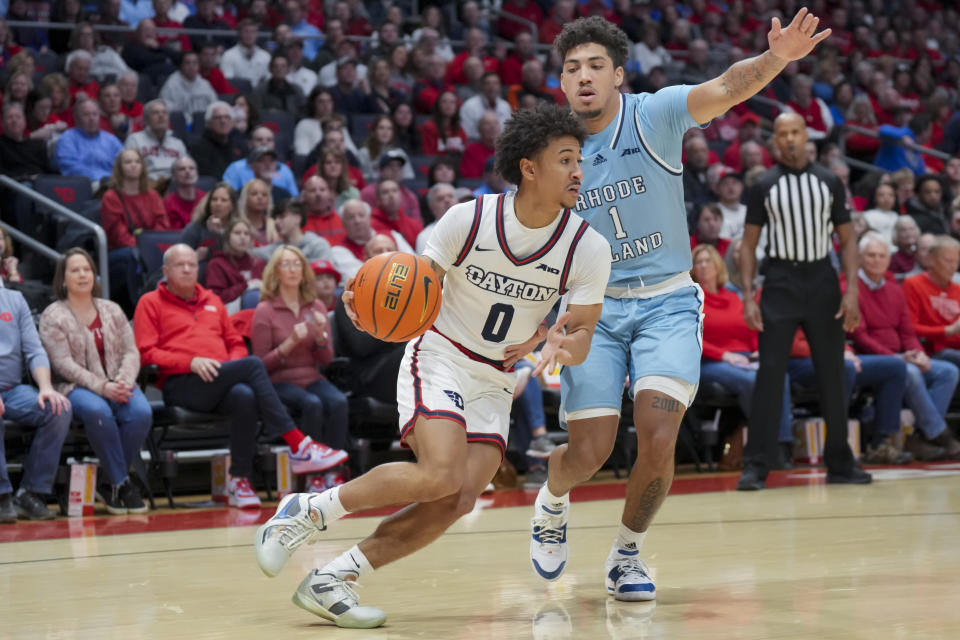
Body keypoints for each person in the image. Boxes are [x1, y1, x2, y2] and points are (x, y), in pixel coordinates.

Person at [253, 104, 610, 627]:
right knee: (439, 472)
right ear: (529, 168)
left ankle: (334, 578)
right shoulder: (470, 219)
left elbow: (580, 334)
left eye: (580, 159)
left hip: (495, 376)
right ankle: (307, 512)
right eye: (566, 159)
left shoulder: (588, 246)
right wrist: (367, 303)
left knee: (459, 497)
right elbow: (408, 284)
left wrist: (559, 342)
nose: (579, 171)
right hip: (440, 352)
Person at [526, 11, 838, 602]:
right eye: (572, 68)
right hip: (591, 307)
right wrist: (541, 321)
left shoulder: (655, 113)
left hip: (666, 300)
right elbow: (536, 239)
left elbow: (726, 86)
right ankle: (552, 497)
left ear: (619, 75)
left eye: (596, 65)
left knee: (659, 431)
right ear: (561, 83)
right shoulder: (548, 147)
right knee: (588, 452)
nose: (584, 76)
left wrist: (775, 59)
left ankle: (626, 553)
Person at [134, 244, 350, 508]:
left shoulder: (212, 300)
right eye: (181, 265)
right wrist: (189, 362)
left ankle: (240, 479)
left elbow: (235, 341)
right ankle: (299, 444)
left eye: (192, 264)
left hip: (219, 378)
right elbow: (146, 353)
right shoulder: (150, 303)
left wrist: (230, 368)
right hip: (181, 383)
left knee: (244, 395)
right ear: (166, 271)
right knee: (252, 367)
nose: (189, 269)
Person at [737, 111, 869, 489]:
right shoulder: (763, 184)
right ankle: (757, 465)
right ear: (775, 141)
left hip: (822, 281)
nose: (790, 139)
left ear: (806, 136)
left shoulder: (829, 182)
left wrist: (853, 291)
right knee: (769, 374)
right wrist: (748, 296)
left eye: (796, 132)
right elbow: (747, 245)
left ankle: (841, 463)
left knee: (832, 374)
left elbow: (847, 239)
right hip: (779, 281)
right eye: (783, 134)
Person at [39, 249, 152, 514]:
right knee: (97, 410)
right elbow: (62, 363)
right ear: (63, 279)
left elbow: (131, 351)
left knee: (141, 412)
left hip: (118, 383)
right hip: (75, 387)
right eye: (75, 270)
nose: (82, 275)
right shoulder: (53, 315)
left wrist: (123, 380)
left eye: (87, 269)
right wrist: (102, 387)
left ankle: (107, 482)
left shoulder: (111, 309)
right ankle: (121, 483)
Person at [852, 233, 960, 461]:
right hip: (871, 357)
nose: (876, 260)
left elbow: (908, 332)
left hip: (902, 354)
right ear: (860, 258)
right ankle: (940, 434)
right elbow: (860, 337)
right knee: (907, 371)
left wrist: (917, 353)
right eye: (871, 255)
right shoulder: (850, 289)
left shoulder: (893, 288)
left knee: (947, 371)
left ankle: (922, 437)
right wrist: (895, 358)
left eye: (882, 255)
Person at [251, 245, 349, 490]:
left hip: (312, 375)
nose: (293, 270)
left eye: (297, 264)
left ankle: (333, 472)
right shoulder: (265, 310)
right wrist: (289, 344)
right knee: (311, 404)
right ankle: (312, 476)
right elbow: (260, 365)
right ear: (275, 272)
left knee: (338, 401)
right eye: (286, 264)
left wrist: (321, 337)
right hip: (279, 381)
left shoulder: (315, 306)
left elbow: (327, 360)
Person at [692, 244, 793, 455]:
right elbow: (691, 338)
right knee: (750, 381)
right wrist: (724, 355)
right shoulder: (690, 300)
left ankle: (781, 444)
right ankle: (762, 443)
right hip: (710, 361)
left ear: (718, 266)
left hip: (745, 358)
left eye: (707, 260)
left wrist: (758, 350)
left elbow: (751, 329)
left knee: (778, 376)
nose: (703, 266)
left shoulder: (733, 298)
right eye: (698, 262)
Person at [0, 285, 72, 523]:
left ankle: (30, 492)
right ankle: (2, 496)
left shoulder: (14, 299)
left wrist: (46, 387)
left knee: (58, 409)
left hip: (12, 389)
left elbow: (34, 349)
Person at [100, 148, 170, 308]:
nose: (133, 165)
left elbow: (162, 226)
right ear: (120, 167)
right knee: (134, 255)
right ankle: (138, 307)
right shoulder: (111, 196)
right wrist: (144, 248)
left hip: (147, 248)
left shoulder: (152, 195)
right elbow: (118, 235)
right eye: (128, 162)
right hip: (119, 252)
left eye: (137, 161)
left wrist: (150, 247)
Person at [330, 199, 413, 280]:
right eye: (351, 217)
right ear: (343, 223)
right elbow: (359, 277)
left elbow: (412, 263)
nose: (357, 221)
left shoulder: (393, 235)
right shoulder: (338, 250)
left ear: (369, 218)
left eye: (361, 215)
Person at [55, 98, 123, 186]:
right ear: (77, 118)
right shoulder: (67, 138)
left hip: (113, 184)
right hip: (82, 185)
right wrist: (101, 180)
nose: (91, 118)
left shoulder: (111, 140)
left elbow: (123, 162)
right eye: (86, 115)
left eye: (95, 114)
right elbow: (69, 167)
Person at [204, 217, 265, 311]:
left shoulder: (258, 263)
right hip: (228, 312)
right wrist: (245, 286)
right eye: (237, 233)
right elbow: (216, 298)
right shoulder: (217, 264)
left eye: (246, 233)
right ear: (228, 237)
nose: (242, 237)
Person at [222, 126, 299, 197]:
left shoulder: (285, 170)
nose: (264, 143)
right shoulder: (236, 168)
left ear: (274, 144)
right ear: (250, 144)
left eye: (269, 140)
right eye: (259, 139)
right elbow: (227, 196)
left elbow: (294, 199)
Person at [123, 99, 186, 182]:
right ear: (146, 120)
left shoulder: (177, 143)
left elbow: (186, 167)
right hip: (146, 184)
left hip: (175, 184)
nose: (161, 116)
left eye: (164, 113)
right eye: (155, 113)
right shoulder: (134, 140)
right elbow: (127, 170)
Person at [252, 200, 332, 263]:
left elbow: (328, 275)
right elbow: (249, 254)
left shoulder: (318, 246)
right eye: (275, 218)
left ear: (297, 219)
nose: (276, 222)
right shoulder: (273, 250)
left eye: (282, 217)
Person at [180, 182, 237, 262]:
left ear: (232, 205)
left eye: (223, 200)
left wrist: (219, 234)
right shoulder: (194, 228)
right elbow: (179, 259)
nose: (218, 203)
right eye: (214, 199)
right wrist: (194, 257)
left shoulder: (239, 228)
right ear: (208, 203)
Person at [189, 102, 246, 179]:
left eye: (227, 117)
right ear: (209, 122)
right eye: (218, 117)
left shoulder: (240, 146)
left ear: (232, 122)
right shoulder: (199, 148)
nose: (223, 121)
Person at [159, 51, 217, 125]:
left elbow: (214, 106)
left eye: (195, 63)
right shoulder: (171, 84)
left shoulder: (205, 84)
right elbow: (164, 109)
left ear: (199, 65)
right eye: (187, 63)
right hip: (179, 125)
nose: (191, 66)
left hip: (203, 124)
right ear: (181, 65)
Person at [0, 103, 54, 180]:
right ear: (2, 123)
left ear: (25, 121)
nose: (14, 120)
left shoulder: (38, 145)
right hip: (14, 187)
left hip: (41, 185)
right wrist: (26, 178)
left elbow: (49, 172)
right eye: (9, 117)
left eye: (18, 117)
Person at [219, 19, 271, 86]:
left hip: (260, 94)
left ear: (257, 34)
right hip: (237, 94)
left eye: (253, 32)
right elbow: (228, 82)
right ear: (239, 34)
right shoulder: (228, 55)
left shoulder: (265, 56)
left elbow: (269, 79)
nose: (249, 35)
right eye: (246, 31)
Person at [419, 90, 467, 156]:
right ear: (438, 105)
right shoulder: (429, 127)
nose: (448, 105)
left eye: (452, 102)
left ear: (456, 107)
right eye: (444, 101)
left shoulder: (459, 130)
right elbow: (428, 154)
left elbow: (465, 151)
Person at [300, 176, 345, 245]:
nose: (318, 194)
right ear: (304, 196)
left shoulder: (342, 219)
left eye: (322, 190)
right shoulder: (298, 223)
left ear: (330, 194)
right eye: (312, 190)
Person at [164, 156, 204, 231]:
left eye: (191, 168)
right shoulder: (168, 202)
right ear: (174, 176)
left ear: (197, 173)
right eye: (182, 169)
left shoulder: (205, 198)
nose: (187, 172)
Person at [416, 182, 456, 254]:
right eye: (440, 199)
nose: (447, 200)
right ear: (432, 207)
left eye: (450, 196)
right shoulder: (425, 236)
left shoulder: (473, 225)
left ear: (457, 201)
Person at [238, 178, 277, 247]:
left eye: (264, 194)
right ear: (245, 198)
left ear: (269, 200)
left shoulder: (276, 226)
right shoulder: (237, 225)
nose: (260, 197)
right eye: (254, 194)